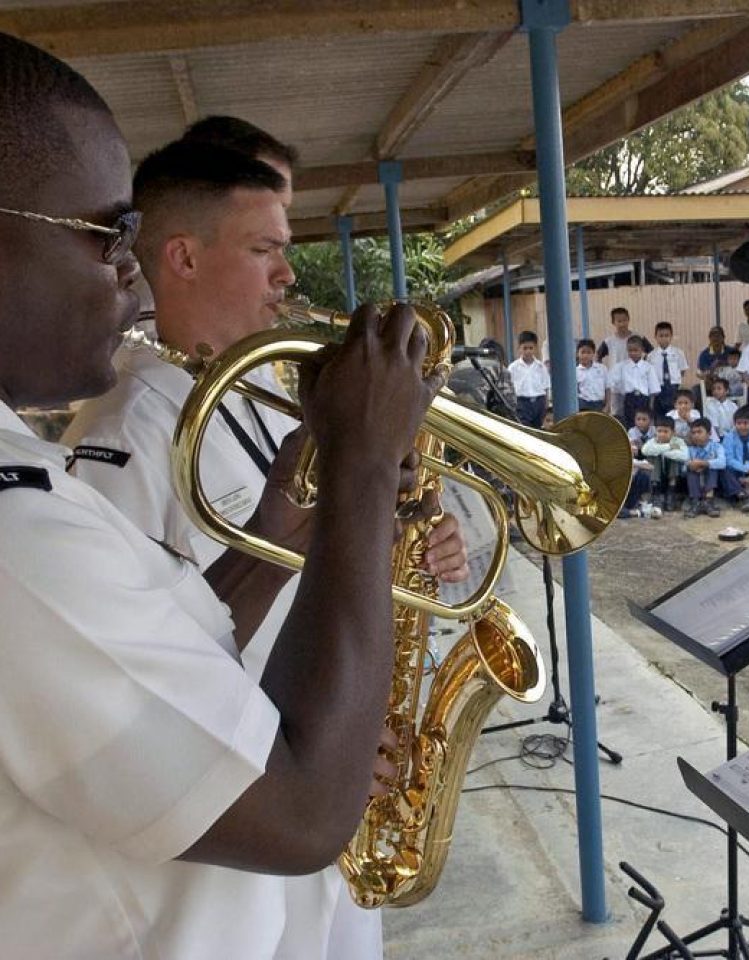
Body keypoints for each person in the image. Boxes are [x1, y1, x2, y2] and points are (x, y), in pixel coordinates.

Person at [0, 33, 441, 958]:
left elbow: (148, 652)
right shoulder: (21, 530)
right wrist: (361, 470)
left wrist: (285, 522)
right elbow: (300, 816)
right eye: (104, 232)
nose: (132, 269)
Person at [597, 306, 652, 419]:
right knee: (617, 413)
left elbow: (651, 353)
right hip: (617, 383)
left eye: (624, 320)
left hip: (636, 383)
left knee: (637, 412)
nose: (622, 324)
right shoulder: (609, 341)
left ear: (629, 319)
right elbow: (597, 357)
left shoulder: (638, 337)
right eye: (619, 321)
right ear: (613, 322)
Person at [609, 334, 660, 429]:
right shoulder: (621, 366)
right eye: (630, 350)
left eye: (636, 350)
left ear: (642, 350)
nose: (633, 353)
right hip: (629, 398)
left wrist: (651, 406)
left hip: (643, 398)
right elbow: (614, 385)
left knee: (644, 422)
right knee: (630, 422)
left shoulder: (648, 367)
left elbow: (654, 389)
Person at [641, 417, 688, 511]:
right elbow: (644, 450)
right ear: (655, 431)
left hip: (673, 478)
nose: (662, 434)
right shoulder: (653, 441)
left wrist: (661, 451)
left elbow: (684, 456)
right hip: (657, 478)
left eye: (666, 431)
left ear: (673, 432)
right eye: (659, 431)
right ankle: (655, 494)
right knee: (653, 456)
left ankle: (670, 495)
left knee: (675, 458)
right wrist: (669, 447)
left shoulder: (678, 441)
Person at [680, 418, 724, 517]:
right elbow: (683, 467)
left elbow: (722, 462)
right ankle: (695, 502)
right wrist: (690, 465)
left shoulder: (717, 447)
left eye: (699, 432)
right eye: (693, 433)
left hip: (714, 481)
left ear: (709, 433)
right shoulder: (689, 449)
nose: (696, 435)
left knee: (712, 467)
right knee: (691, 469)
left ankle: (708, 501)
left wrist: (704, 463)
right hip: (694, 479)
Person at [508, 329, 550, 428]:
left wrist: (546, 404)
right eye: (525, 348)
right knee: (525, 428)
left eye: (531, 348)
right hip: (522, 403)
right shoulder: (513, 367)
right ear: (519, 348)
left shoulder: (540, 366)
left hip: (539, 401)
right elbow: (509, 387)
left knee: (538, 429)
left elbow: (546, 386)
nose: (528, 351)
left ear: (535, 348)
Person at [647, 321, 688, 418]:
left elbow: (682, 370)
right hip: (658, 389)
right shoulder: (651, 356)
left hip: (673, 388)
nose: (664, 338)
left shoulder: (678, 353)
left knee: (673, 415)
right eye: (661, 336)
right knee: (659, 415)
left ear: (671, 336)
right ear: (655, 337)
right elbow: (649, 374)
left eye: (666, 335)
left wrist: (674, 382)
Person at [575, 337, 608, 412]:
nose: (586, 355)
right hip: (583, 404)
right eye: (583, 352)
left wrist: (607, 405)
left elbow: (607, 388)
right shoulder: (575, 372)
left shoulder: (602, 368)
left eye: (589, 352)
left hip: (599, 404)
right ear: (577, 354)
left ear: (593, 353)